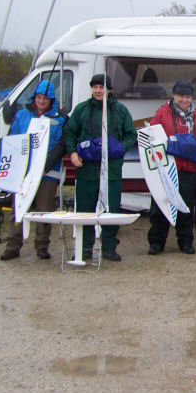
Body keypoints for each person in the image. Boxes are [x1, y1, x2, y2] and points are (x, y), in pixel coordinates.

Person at [63, 74, 137, 262]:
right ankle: (85, 248)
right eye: (95, 87)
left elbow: (131, 134)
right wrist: (72, 153)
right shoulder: (81, 109)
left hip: (111, 170)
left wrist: (120, 148)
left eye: (102, 87)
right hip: (86, 169)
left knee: (112, 209)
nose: (98, 90)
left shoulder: (120, 110)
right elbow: (69, 132)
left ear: (109, 89)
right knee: (85, 210)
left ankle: (109, 247)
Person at [0, 80, 67, 261]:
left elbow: (61, 145)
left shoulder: (59, 119)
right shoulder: (22, 115)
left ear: (51, 100)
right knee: (19, 209)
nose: (41, 101)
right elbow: (13, 140)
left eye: (45, 98)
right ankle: (13, 246)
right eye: (38, 97)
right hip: (24, 172)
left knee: (45, 211)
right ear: (34, 98)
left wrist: (45, 166)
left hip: (48, 173)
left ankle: (42, 246)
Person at [147, 81, 196, 255]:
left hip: (189, 169)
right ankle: (157, 242)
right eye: (181, 96)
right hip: (167, 169)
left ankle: (185, 241)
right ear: (174, 96)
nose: (184, 99)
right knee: (161, 205)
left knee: (186, 206)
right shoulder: (162, 113)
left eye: (188, 96)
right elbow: (151, 139)